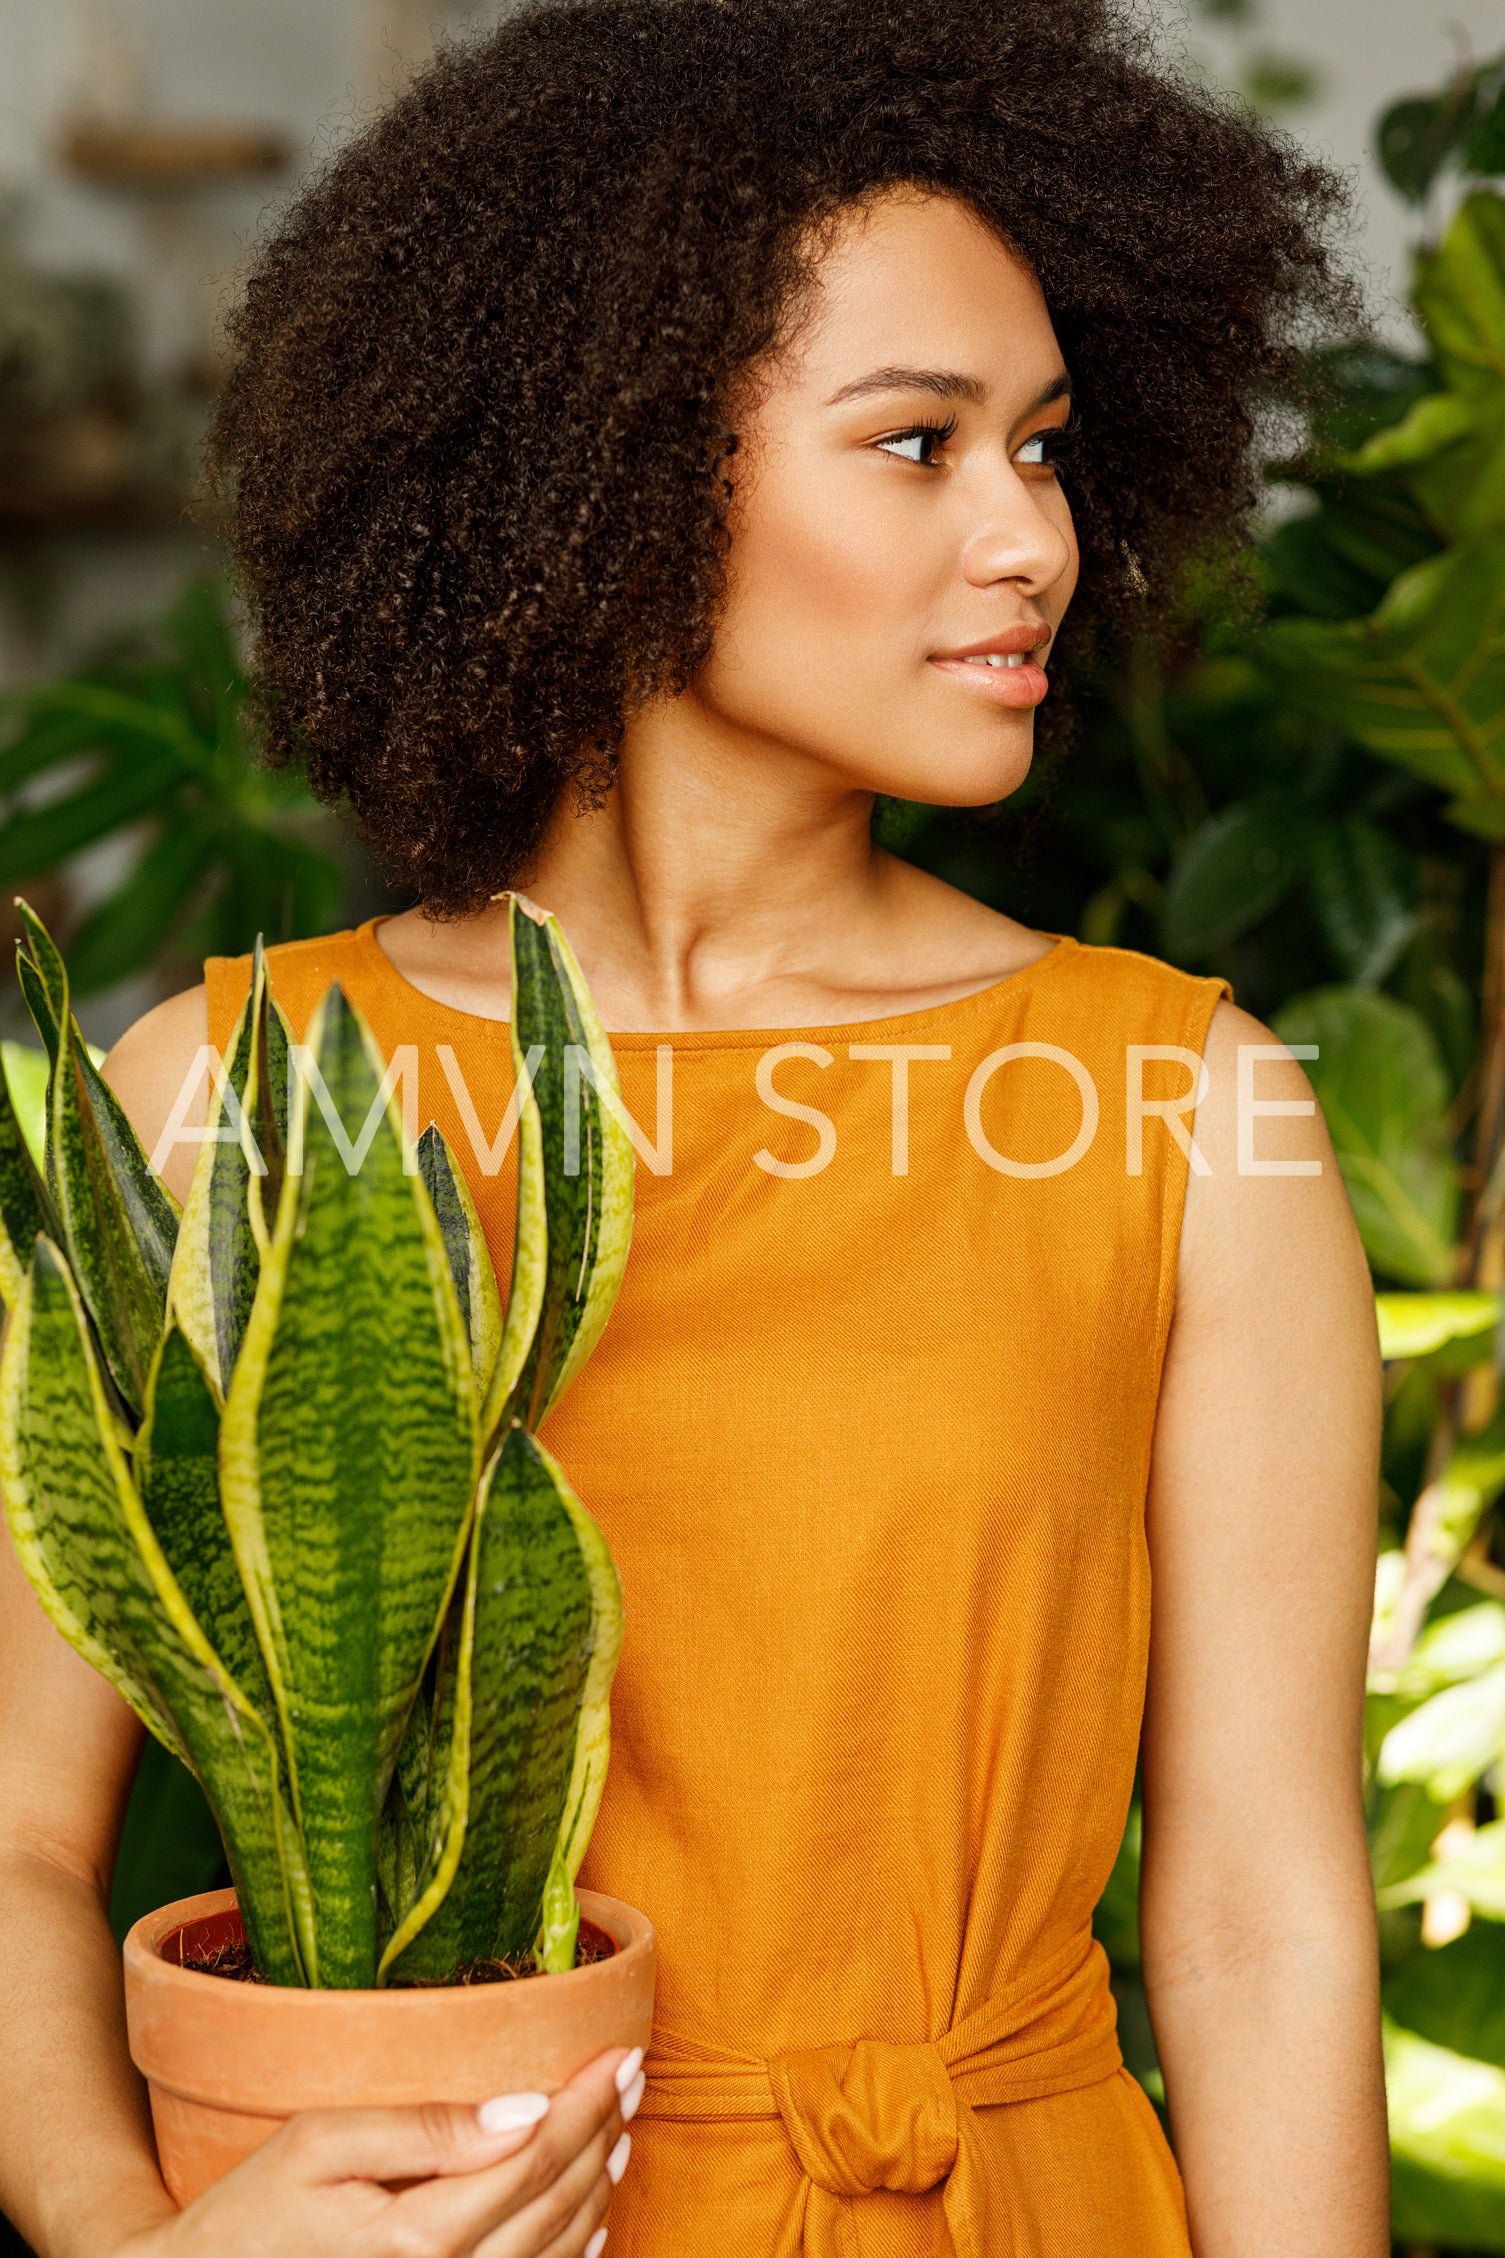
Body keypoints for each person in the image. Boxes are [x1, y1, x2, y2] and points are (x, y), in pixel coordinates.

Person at [0, 0, 1389, 2252]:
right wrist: (137, 2242)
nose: (1032, 534)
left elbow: (1257, 1918)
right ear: (615, 460)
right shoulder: (229, 1099)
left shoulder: (1182, 1104)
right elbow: (15, 1840)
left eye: (1044, 445)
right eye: (921, 445)